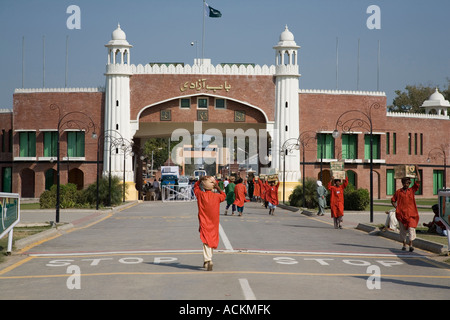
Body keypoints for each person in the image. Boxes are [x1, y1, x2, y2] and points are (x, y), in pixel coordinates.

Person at [193, 176, 226, 271]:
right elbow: (224, 195)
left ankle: (208, 259)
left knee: (205, 240)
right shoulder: (217, 196)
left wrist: (200, 180)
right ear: (213, 186)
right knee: (211, 239)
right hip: (214, 222)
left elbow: (196, 187)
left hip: (204, 221)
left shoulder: (200, 195)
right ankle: (208, 259)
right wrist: (218, 187)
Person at [391, 168, 421, 252]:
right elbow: (393, 200)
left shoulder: (412, 190)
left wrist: (417, 170)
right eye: (406, 183)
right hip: (401, 214)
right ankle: (404, 244)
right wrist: (396, 207)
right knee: (403, 231)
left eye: (408, 183)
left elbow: (419, 180)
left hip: (411, 214)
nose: (407, 184)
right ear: (403, 183)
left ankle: (410, 245)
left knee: (411, 229)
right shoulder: (398, 192)